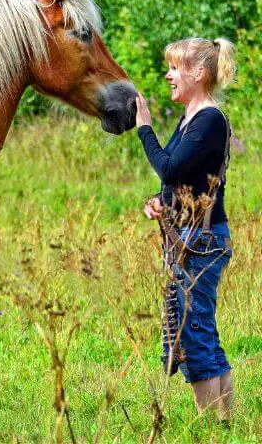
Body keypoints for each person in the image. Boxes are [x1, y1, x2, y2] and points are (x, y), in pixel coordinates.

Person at [135, 37, 237, 421]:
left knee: (193, 338)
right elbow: (183, 178)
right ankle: (225, 427)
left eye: (175, 68)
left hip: (201, 243)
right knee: (202, 333)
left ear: (199, 73)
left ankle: (212, 429)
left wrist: (144, 129)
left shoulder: (209, 119)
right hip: (194, 238)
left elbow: (170, 168)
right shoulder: (193, 119)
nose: (168, 75)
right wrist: (162, 203)